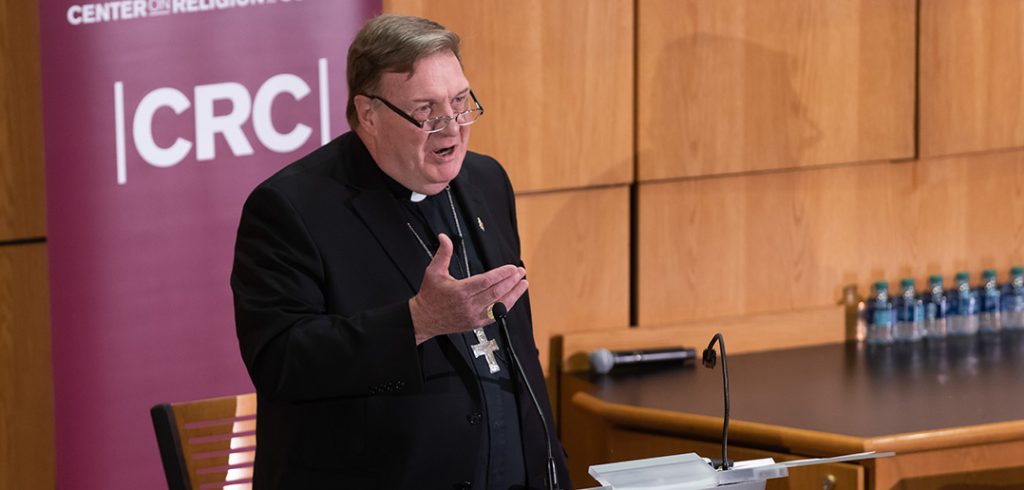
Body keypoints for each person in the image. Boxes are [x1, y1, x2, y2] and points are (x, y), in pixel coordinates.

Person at [231, 14, 571, 489]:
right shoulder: (292, 208)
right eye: (426, 111)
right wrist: (416, 321)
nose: (451, 128)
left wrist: (552, 471)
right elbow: (280, 361)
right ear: (369, 113)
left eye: (459, 103)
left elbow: (518, 354)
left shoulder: (487, 181)